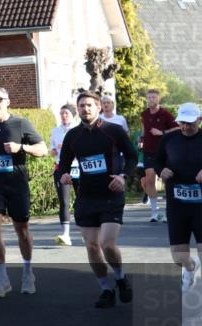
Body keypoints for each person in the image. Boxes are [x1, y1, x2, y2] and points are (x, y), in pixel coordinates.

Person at [58, 91, 138, 309]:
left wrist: (123, 177)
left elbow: (132, 156)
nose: (86, 109)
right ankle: (106, 289)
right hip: (86, 197)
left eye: (90, 105)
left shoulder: (113, 131)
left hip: (111, 194)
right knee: (93, 247)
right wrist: (63, 175)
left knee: (107, 244)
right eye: (82, 105)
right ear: (78, 109)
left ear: (98, 107)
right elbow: (62, 165)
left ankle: (121, 278)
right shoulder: (73, 136)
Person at [0, 88, 47, 297]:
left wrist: (22, 148)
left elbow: (43, 149)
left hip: (16, 184)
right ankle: (2, 278)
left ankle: (28, 273)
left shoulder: (21, 123)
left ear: (7, 101)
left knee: (22, 229)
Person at [155, 102, 202, 293]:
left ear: (199, 120)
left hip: (201, 205)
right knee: (179, 258)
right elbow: (156, 161)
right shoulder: (169, 139)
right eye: (182, 122)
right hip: (177, 205)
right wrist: (161, 170)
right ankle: (190, 269)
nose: (185, 127)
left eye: (190, 123)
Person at [141, 89, 178, 222]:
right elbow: (144, 128)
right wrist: (141, 138)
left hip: (164, 152)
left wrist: (162, 132)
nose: (151, 99)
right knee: (149, 180)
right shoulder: (144, 114)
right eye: (149, 97)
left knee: (166, 180)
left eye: (154, 97)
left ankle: (169, 211)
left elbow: (178, 128)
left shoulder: (165, 113)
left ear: (159, 99)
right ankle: (155, 212)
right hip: (148, 151)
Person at [50, 103, 80, 246]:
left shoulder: (78, 130)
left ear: (73, 115)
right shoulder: (56, 131)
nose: (63, 116)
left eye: (66, 113)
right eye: (61, 113)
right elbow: (52, 149)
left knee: (83, 199)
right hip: (61, 168)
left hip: (78, 167)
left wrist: (69, 147)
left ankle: (86, 230)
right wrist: (54, 151)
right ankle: (66, 234)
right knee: (64, 201)